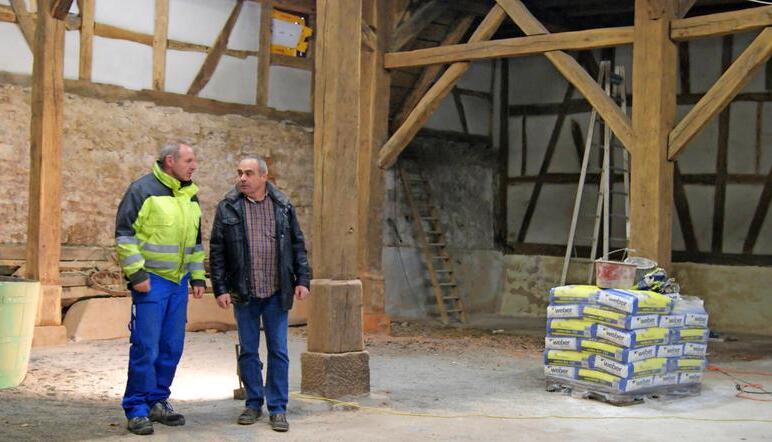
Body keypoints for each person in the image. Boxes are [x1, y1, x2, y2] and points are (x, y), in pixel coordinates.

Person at [209, 156, 311, 432]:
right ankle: (253, 403)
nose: (242, 178)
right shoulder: (228, 207)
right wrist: (220, 287)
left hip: (277, 292)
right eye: (240, 173)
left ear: (264, 177)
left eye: (249, 173)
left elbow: (297, 244)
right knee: (249, 350)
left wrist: (303, 279)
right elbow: (217, 250)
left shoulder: (283, 206)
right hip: (245, 292)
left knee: (279, 350)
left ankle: (277, 408)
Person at [114, 142, 206, 435]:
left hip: (178, 284)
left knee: (171, 346)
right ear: (170, 161)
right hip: (151, 282)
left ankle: (157, 400)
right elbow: (124, 234)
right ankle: (137, 407)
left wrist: (197, 278)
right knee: (146, 346)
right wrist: (136, 273)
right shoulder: (141, 190)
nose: (194, 166)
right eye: (189, 160)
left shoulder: (191, 196)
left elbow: (195, 243)